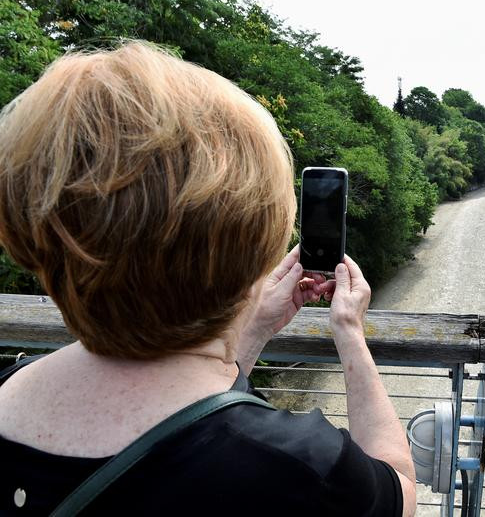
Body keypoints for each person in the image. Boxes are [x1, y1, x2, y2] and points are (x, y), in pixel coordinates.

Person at [0, 41, 416, 516]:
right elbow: (399, 487)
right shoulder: (297, 468)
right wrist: (349, 332)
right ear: (255, 245)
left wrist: (251, 327)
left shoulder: (7, 388)